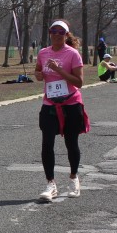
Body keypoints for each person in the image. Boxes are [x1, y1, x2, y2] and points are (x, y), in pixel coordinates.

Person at [34, 19, 89, 201]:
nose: (57, 34)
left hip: (71, 103)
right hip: (50, 104)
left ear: (66, 35)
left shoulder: (72, 54)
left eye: (61, 32)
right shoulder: (43, 53)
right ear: (50, 33)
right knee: (47, 143)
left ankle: (73, 178)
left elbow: (79, 82)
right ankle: (50, 184)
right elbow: (38, 71)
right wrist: (38, 75)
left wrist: (59, 70)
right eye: (54, 31)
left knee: (71, 143)